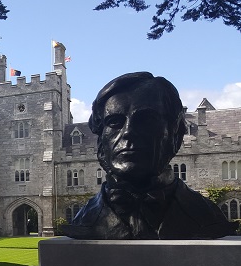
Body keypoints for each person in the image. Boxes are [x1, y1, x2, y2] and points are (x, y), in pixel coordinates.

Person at [64, 72, 237, 240]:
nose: (128, 132)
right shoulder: (85, 219)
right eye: (115, 122)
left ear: (175, 134)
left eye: (146, 120)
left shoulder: (206, 216)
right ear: (101, 141)